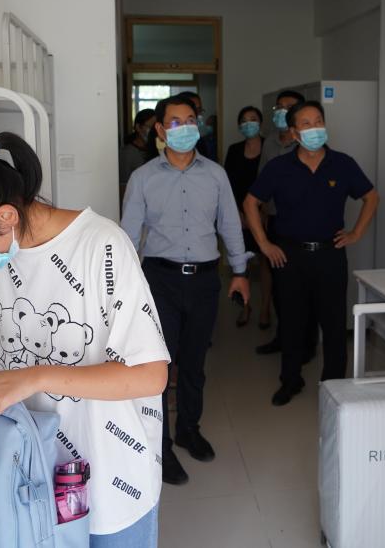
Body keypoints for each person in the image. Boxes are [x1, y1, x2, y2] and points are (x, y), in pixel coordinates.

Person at [0, 132, 169, 547]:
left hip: (109, 479)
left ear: (4, 216)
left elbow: (150, 375)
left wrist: (35, 376)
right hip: (24, 475)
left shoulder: (102, 245)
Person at [122, 95, 251, 485]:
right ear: (161, 130)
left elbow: (230, 224)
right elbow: (128, 236)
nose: (184, 128)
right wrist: (124, 288)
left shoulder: (216, 175)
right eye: (175, 122)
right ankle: (160, 446)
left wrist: (240, 272)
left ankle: (188, 430)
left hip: (205, 280)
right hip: (159, 280)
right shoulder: (143, 177)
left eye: (190, 119)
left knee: (194, 363)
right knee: (159, 366)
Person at [244, 100, 379, 405]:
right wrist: (264, 244)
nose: (315, 128)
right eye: (306, 124)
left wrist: (356, 233)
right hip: (289, 256)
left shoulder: (342, 164)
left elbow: (371, 197)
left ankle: (334, 386)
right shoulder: (279, 167)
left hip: (330, 254)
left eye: (318, 121)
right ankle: (290, 381)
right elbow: (250, 202)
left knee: (333, 323)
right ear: (293, 133)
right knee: (292, 322)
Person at [254, 89, 305, 354]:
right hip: (274, 221)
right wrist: (263, 221)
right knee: (280, 286)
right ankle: (282, 337)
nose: (283, 111)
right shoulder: (270, 143)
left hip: (300, 225)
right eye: (279, 107)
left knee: (302, 287)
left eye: (289, 106)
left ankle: (304, 343)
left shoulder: (308, 143)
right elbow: (260, 187)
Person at [223, 105, 272, 328]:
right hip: (239, 215)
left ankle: (265, 308)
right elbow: (227, 185)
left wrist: (262, 212)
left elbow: (275, 182)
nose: (248, 123)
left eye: (253, 119)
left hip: (264, 214)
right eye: (244, 120)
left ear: (260, 123)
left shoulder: (269, 147)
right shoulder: (234, 150)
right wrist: (239, 213)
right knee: (241, 262)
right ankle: (245, 306)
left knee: (265, 262)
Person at [119, 108, 155, 198]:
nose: (154, 132)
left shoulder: (156, 150)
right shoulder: (127, 154)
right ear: (138, 127)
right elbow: (123, 188)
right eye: (151, 127)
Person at [176, 91, 218, 161]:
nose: (198, 114)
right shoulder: (172, 139)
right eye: (194, 110)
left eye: (199, 110)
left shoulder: (200, 141)